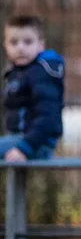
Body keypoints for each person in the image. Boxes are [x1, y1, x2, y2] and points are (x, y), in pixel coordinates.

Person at [1, 15, 64, 161]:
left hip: (35, 144)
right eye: (14, 42)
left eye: (27, 42)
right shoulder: (18, 73)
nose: (20, 48)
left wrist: (25, 147)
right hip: (19, 140)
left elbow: (48, 117)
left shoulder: (41, 73)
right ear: (5, 46)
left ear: (41, 45)